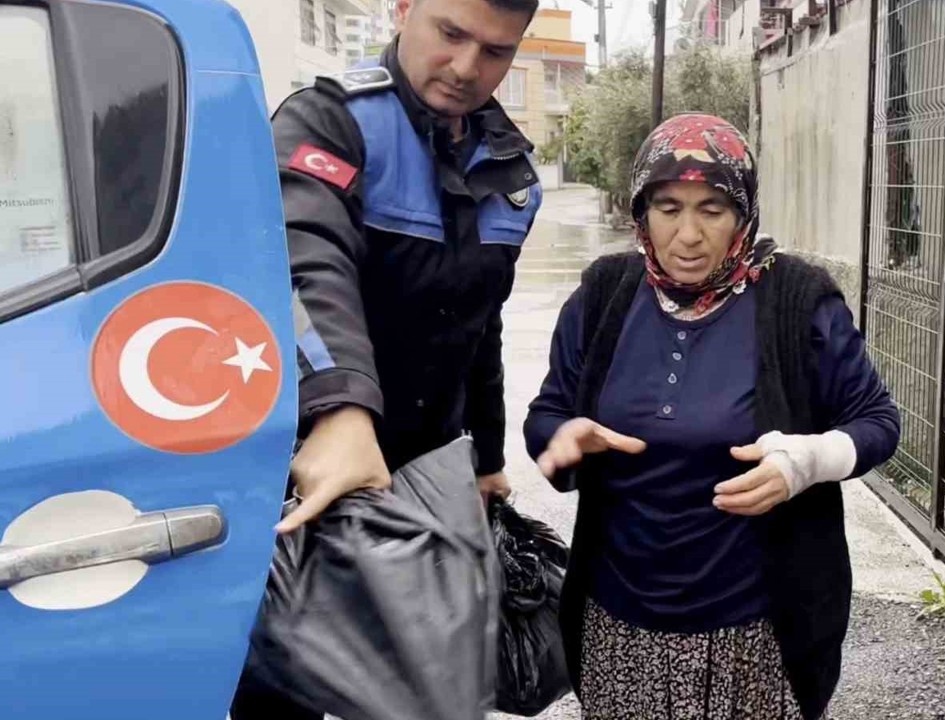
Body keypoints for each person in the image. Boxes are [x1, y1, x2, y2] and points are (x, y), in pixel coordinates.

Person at [523, 114, 902, 720]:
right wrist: (561, 437)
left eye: (713, 209)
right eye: (669, 208)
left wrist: (803, 462)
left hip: (755, 633)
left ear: (744, 215)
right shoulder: (603, 295)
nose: (689, 234)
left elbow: (877, 421)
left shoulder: (797, 300)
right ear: (641, 211)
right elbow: (549, 412)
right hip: (619, 623)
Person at [230, 0, 541, 717]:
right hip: (313, 464)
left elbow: (478, 327)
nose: (466, 68)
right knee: (290, 683)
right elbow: (299, 263)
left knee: (430, 688)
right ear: (405, 10)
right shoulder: (330, 123)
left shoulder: (511, 171)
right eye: (451, 34)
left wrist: (488, 460)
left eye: (495, 52)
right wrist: (339, 410)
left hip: (426, 475)